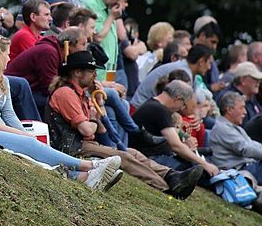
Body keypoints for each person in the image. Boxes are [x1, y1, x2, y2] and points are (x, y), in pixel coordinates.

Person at [0, 42, 123, 192]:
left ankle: (84, 174)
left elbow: (6, 115)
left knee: (30, 144)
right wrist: (19, 135)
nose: (5, 60)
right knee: (28, 144)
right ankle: (89, 167)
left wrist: (20, 133)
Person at [46, 50, 201, 198]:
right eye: (91, 71)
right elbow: (87, 130)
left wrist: (99, 106)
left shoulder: (82, 95)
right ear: (77, 72)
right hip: (71, 148)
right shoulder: (66, 93)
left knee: (133, 152)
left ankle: (171, 175)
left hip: (83, 143)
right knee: (122, 157)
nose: (95, 75)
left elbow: (101, 131)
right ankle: (167, 188)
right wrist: (94, 118)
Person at [131, 80, 219, 177]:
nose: (182, 108)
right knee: (200, 170)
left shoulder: (152, 104)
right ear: (178, 99)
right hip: (150, 158)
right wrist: (205, 164)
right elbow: (176, 146)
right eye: (184, 105)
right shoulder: (160, 110)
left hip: (149, 154)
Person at [132, 44, 216, 108]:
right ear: (201, 62)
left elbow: (191, 106)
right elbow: (188, 108)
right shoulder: (183, 73)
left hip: (148, 107)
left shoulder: (189, 72)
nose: (209, 68)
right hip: (140, 108)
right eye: (209, 63)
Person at [80, 0, 128, 79]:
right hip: (96, 71)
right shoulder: (89, 2)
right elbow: (97, 36)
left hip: (110, 68)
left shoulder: (109, 4)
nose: (119, 3)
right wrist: (111, 17)